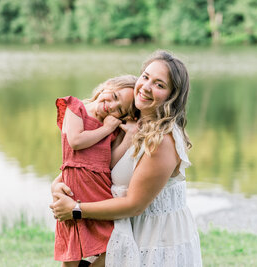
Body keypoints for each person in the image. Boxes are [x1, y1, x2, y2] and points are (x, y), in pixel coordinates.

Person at [52, 50, 202, 267]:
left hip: (154, 238)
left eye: (159, 85)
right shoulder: (125, 121)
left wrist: (75, 210)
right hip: (119, 231)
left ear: (172, 96)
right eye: (146, 77)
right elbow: (88, 166)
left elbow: (134, 205)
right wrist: (57, 186)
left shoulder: (163, 140)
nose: (147, 87)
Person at [53, 75, 138, 267]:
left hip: (99, 192)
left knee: (114, 245)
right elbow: (75, 141)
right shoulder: (76, 108)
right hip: (74, 191)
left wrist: (129, 137)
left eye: (120, 110)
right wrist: (106, 129)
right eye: (114, 96)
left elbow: (109, 162)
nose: (112, 106)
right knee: (72, 253)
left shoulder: (113, 128)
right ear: (107, 86)